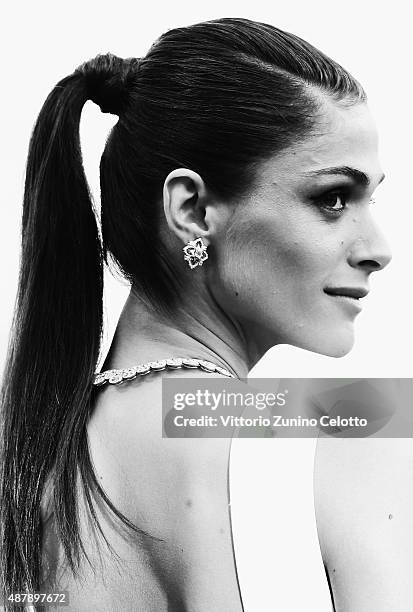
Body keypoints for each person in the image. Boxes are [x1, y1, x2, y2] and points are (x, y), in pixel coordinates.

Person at [0, 16, 391, 611]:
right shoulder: (340, 425)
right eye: (332, 198)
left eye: (371, 199)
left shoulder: (33, 472)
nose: (379, 249)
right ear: (193, 209)